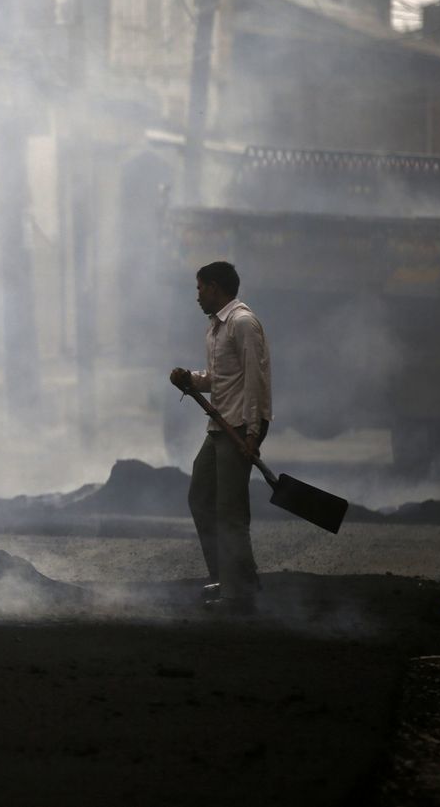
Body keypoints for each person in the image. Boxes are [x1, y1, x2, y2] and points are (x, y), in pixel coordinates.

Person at [169, 261, 272, 614]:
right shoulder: (216, 328)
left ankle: (239, 591)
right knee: (200, 498)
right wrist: (191, 380)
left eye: (200, 288)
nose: (196, 295)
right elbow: (219, 378)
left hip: (239, 427)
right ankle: (226, 577)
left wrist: (254, 433)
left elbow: (256, 380)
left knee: (230, 512)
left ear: (215, 287)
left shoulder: (243, 324)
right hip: (219, 427)